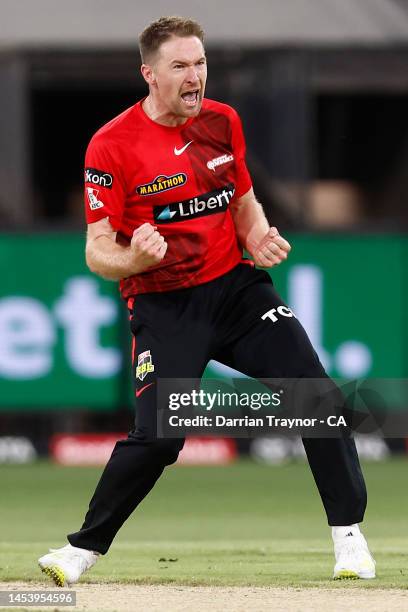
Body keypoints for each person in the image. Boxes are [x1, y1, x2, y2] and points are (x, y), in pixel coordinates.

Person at [38, 16, 375, 586]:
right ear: (149, 74)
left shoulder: (222, 122)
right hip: (165, 305)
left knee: (317, 397)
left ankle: (349, 540)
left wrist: (258, 235)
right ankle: (81, 549)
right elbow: (98, 253)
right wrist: (135, 258)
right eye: (180, 66)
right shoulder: (112, 146)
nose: (195, 77)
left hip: (236, 292)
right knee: (161, 438)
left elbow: (242, 198)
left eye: (200, 64)